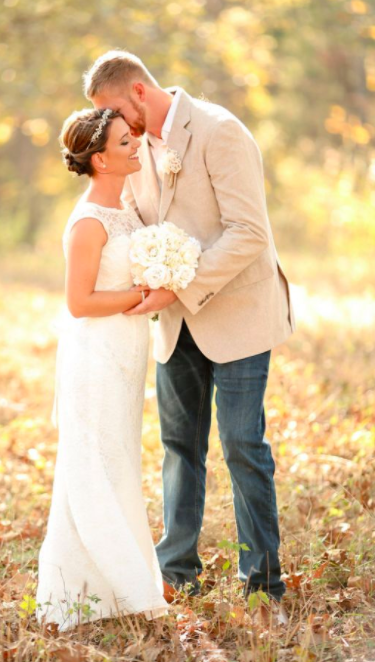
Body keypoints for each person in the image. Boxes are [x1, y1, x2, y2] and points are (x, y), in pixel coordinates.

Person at [84, 51, 296, 607]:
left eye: (112, 111)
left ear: (137, 91)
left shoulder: (220, 131)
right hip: (175, 323)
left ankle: (264, 583)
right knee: (179, 446)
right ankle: (177, 571)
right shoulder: (134, 150)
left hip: (239, 315)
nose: (110, 128)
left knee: (243, 443)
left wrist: (179, 283)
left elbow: (249, 231)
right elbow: (131, 225)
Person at [35, 107, 168, 630]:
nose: (135, 144)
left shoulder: (126, 210)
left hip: (127, 353)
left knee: (118, 466)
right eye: (123, 142)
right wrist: (144, 293)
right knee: (92, 466)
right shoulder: (89, 220)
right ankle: (113, 590)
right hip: (96, 359)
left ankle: (110, 589)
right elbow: (78, 302)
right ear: (99, 159)